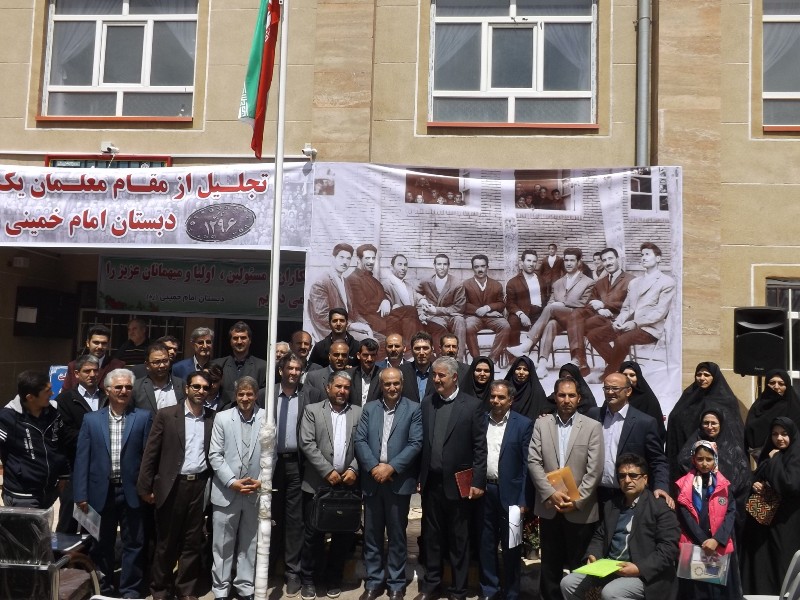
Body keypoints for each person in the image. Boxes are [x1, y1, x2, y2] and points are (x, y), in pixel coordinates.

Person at [73, 368, 152, 599]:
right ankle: (104, 589)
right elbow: (82, 459)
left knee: (134, 543)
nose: (124, 391)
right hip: (100, 492)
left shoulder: (143, 417)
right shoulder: (91, 420)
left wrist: (148, 488)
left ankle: (130, 590)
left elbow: (149, 457)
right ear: (107, 390)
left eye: (128, 387)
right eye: (118, 387)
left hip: (132, 492)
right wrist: (80, 494)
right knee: (101, 544)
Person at [137, 370, 215, 600]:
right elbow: (151, 453)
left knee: (192, 542)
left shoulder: (213, 418)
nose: (200, 391)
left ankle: (186, 590)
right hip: (173, 486)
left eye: (205, 388)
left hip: (199, 485)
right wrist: (145, 487)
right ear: (186, 388)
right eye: (196, 386)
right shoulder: (167, 415)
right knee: (166, 542)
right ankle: (160, 589)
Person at [560, 453, 681, 600]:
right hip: (610, 569)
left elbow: (668, 548)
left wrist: (639, 568)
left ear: (645, 479)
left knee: (611, 592)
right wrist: (593, 555)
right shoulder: (612, 506)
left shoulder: (660, 507)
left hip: (644, 575)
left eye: (633, 475)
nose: (627, 480)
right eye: (622, 476)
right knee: (568, 583)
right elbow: (600, 536)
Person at [417, 357, 487, 600]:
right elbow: (422, 444)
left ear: (454, 377)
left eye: (441, 375)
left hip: (459, 485)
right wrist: (420, 476)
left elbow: (480, 447)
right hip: (432, 484)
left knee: (459, 540)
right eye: (434, 375)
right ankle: (431, 585)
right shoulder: (428, 403)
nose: (436, 379)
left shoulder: (472, 406)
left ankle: (458, 589)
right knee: (432, 538)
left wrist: (477, 481)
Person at [528, 375, 604, 600]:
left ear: (579, 398)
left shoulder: (592, 426)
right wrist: (550, 493)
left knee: (579, 565)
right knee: (549, 564)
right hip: (550, 507)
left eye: (571, 395)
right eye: (562, 395)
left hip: (580, 509)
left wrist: (577, 500)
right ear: (555, 397)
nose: (567, 400)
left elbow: (595, 469)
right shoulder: (542, 424)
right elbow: (534, 461)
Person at [354, 367, 423, 600]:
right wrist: (374, 467)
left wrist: (391, 467)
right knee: (372, 535)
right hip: (373, 480)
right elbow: (360, 440)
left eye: (396, 383)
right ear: (381, 386)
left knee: (397, 536)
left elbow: (415, 443)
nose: (392, 388)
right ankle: (373, 581)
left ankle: (396, 583)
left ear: (402, 384)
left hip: (397, 481)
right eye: (387, 384)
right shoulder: (370, 409)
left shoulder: (413, 409)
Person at [299, 371, 362, 600]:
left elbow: (363, 444)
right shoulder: (312, 411)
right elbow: (307, 443)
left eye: (346, 387)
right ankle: (309, 579)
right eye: (338, 387)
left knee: (342, 536)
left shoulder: (358, 412)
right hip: (317, 484)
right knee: (313, 535)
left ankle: (333, 579)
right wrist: (327, 471)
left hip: (347, 484)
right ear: (328, 388)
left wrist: (354, 468)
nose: (342, 391)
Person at [266, 352, 324, 597]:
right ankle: (267, 566)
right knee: (269, 515)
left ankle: (292, 571)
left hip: (298, 465)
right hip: (270, 465)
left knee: (295, 519)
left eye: (297, 369)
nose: (293, 372)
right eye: (289, 368)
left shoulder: (311, 395)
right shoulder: (266, 394)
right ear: (280, 370)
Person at [208, 376, 264, 600]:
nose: (245, 398)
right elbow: (215, 455)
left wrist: (262, 480)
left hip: (254, 491)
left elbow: (271, 455)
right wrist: (232, 482)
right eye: (241, 394)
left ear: (256, 395)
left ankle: (245, 587)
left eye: (249, 394)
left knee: (250, 543)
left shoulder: (266, 418)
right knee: (222, 544)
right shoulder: (222, 418)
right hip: (227, 491)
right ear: (235, 395)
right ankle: (221, 589)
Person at [587, 242, 676, 379]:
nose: (643, 257)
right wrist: (619, 321)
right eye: (642, 255)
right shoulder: (635, 282)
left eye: (647, 254)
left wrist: (635, 323)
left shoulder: (667, 282)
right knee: (594, 335)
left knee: (621, 341)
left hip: (649, 328)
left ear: (658, 258)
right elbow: (626, 308)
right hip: (627, 324)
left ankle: (610, 373)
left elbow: (659, 313)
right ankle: (619, 368)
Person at [477, 381, 533, 600]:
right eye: (493, 396)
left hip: (513, 496)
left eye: (501, 397)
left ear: (511, 400)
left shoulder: (523, 424)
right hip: (485, 492)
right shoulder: (481, 421)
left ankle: (511, 592)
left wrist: (523, 500)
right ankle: (489, 590)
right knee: (486, 544)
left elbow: (527, 465)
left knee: (513, 546)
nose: (496, 401)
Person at [510, 248, 594, 380]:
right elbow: (551, 302)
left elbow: (584, 303)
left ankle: (528, 343)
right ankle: (542, 365)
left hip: (578, 319)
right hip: (561, 319)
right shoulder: (558, 283)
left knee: (550, 308)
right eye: (566, 260)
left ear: (579, 262)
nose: (568, 263)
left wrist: (563, 304)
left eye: (572, 260)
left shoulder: (588, 282)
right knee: (550, 324)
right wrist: (556, 306)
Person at [674, 441, 741, 600]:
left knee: (717, 590)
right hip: (695, 545)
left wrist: (717, 540)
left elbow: (730, 512)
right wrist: (704, 541)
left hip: (718, 546)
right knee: (697, 591)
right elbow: (685, 516)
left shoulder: (723, 484)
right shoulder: (683, 485)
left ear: (715, 460)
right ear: (693, 459)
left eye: (709, 459)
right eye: (700, 459)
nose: (704, 463)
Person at [741, 417, 800, 595]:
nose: (779, 438)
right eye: (775, 434)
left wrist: (775, 459)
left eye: (784, 434)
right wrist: (755, 483)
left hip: (786, 522)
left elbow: (790, 484)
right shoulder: (770, 452)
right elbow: (759, 474)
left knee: (781, 561)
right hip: (763, 519)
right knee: (761, 563)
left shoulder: (795, 455)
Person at [0, 370, 69, 508]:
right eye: (47, 391)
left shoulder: (54, 412)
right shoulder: (8, 418)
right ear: (30, 397)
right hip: (22, 495)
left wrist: (64, 475)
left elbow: (61, 444)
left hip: (49, 491)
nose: (52, 393)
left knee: (44, 523)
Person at [666, 362, 744, 483]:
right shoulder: (689, 396)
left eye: (706, 375)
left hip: (720, 456)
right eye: (699, 374)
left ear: (715, 377)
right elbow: (676, 418)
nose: (702, 378)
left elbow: (734, 430)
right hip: (689, 454)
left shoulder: (726, 400)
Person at [675, 409, 751, 532]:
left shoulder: (733, 448)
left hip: (727, 508)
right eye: (706, 423)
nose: (710, 427)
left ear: (721, 424)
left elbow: (743, 477)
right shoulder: (692, 445)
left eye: (714, 423)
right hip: (698, 509)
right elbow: (683, 464)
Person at [56, 354, 107, 533]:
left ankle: (90, 550)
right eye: (87, 371)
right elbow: (66, 434)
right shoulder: (65, 399)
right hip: (74, 466)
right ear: (77, 374)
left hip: (101, 467)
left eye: (95, 370)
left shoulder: (107, 397)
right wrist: (99, 438)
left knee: (93, 522)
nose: (92, 374)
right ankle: (64, 550)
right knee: (69, 517)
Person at [565, 248, 634, 376]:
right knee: (576, 315)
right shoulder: (600, 282)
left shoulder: (631, 280)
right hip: (600, 318)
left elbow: (631, 305)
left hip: (619, 319)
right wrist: (600, 309)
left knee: (576, 326)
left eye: (610, 258)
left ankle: (582, 360)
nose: (608, 262)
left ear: (618, 259)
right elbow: (590, 302)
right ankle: (582, 360)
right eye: (604, 260)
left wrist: (604, 305)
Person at [417, 254, 467, 361]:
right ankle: (442, 360)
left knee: (460, 321)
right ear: (434, 266)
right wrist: (421, 300)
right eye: (439, 264)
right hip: (435, 317)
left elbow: (459, 308)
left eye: (445, 264)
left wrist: (436, 310)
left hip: (451, 316)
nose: (442, 267)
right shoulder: (426, 281)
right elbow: (415, 293)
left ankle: (458, 360)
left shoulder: (457, 283)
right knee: (437, 326)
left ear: (449, 266)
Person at [461, 254, 510, 364]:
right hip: (473, 317)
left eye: (483, 266)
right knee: (468, 327)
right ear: (472, 268)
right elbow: (463, 304)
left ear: (488, 267)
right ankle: (477, 360)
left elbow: (501, 304)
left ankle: (491, 360)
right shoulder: (465, 284)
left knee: (505, 326)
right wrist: (485, 312)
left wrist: (488, 308)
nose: (480, 269)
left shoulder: (496, 285)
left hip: (493, 317)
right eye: (476, 267)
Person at [745, 368, 800, 461]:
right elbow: (751, 434)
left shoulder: (795, 407)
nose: (776, 386)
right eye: (772, 383)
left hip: (792, 459)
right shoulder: (758, 406)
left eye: (781, 383)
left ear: (787, 386)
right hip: (764, 460)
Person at [213, 321, 268, 410]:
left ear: (250, 340)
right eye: (235, 338)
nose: (239, 341)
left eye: (243, 338)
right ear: (230, 341)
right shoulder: (218, 365)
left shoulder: (262, 367)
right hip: (224, 414)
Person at [307, 243, 356, 340]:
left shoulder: (345, 282)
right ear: (333, 258)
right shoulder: (321, 282)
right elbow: (322, 316)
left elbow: (353, 311)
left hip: (345, 328)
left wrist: (365, 325)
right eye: (341, 257)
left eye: (348, 258)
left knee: (376, 337)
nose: (345, 262)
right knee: (368, 341)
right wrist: (350, 325)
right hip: (330, 332)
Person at [62, 324, 124, 391]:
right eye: (96, 342)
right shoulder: (73, 366)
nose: (100, 347)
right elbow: (65, 393)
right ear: (88, 343)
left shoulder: (117, 366)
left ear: (108, 345)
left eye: (104, 343)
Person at [618, 360, 666, 441]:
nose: (628, 378)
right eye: (624, 375)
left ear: (638, 377)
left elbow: (657, 430)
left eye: (632, 375)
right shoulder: (615, 397)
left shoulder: (648, 399)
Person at [133, 342, 187, 412]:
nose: (162, 365)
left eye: (165, 361)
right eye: (157, 362)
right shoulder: (136, 388)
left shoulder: (181, 385)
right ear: (147, 365)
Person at [505, 249, 544, 347]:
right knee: (512, 321)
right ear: (522, 263)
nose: (531, 264)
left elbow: (546, 298)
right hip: (522, 313)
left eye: (534, 261)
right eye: (528, 260)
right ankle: (513, 353)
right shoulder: (513, 282)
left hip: (539, 314)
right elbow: (510, 303)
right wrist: (521, 314)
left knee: (549, 324)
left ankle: (525, 351)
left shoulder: (542, 280)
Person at [503, 355, 549, 421]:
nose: (521, 372)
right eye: (518, 368)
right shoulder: (505, 389)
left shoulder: (537, 392)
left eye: (525, 369)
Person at [399, 331, 436, 403]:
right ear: (412, 351)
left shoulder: (439, 373)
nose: (421, 353)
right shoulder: (401, 372)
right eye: (417, 348)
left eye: (425, 348)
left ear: (432, 350)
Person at [348, 338, 383, 406]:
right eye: (365, 355)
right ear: (358, 355)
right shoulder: (349, 375)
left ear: (377, 356)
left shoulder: (383, 376)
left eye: (373, 355)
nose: (369, 359)